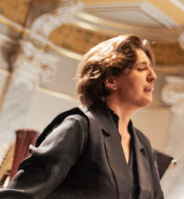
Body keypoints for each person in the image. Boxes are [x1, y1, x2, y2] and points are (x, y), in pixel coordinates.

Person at [0, 34, 163, 198]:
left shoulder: (142, 144)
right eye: (141, 68)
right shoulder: (80, 126)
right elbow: (18, 195)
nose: (153, 76)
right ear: (111, 81)